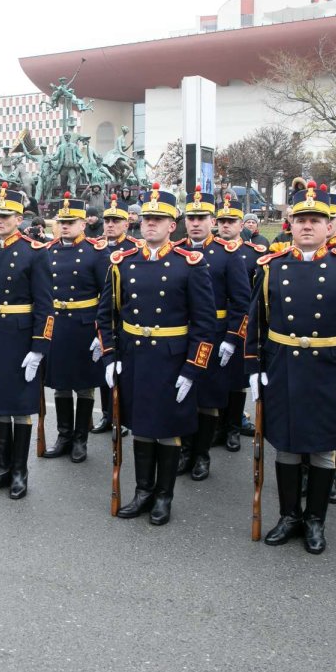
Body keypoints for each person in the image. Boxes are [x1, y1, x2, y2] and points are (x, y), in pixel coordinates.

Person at [246, 185, 336, 554]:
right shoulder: (273, 266)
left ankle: (315, 520)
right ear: (289, 225)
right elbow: (255, 320)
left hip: (328, 369)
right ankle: (289, 515)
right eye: (301, 220)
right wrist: (253, 366)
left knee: (321, 449)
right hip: (284, 366)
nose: (307, 226)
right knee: (286, 444)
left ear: (330, 226)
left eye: (315, 220)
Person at [97, 183, 217, 525]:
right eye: (147, 218)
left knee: (167, 430)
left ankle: (164, 496)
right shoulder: (123, 262)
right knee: (141, 427)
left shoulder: (189, 264)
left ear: (171, 224)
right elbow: (107, 315)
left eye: (159, 219)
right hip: (135, 357)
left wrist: (193, 367)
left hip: (172, 359)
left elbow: (204, 324)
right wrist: (109, 355)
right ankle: (143, 491)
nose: (151, 224)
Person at [0, 184, 52, 499]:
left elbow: (46, 306)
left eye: (5, 215)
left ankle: (19, 471)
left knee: (20, 407)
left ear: (19, 217)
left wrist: (38, 348)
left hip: (21, 338)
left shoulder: (34, 252)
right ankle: (0, 468)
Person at [175, 186, 252, 482]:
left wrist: (233, 338)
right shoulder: (177, 251)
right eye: (191, 217)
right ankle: (184, 450)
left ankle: (202, 455)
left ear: (213, 221)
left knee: (206, 399)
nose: (195, 223)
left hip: (216, 335)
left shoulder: (226, 254)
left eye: (201, 217)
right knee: (183, 395)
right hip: (181, 335)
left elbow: (242, 302)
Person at [42, 192, 108, 464]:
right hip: (57, 324)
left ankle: (81, 438)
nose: (65, 226)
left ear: (84, 224)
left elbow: (108, 295)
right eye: (62, 221)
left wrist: (101, 334)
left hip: (84, 326)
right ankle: (64, 435)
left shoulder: (96, 251)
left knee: (83, 386)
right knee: (59, 384)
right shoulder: (48, 252)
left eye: (71, 221)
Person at [214, 195, 265, 452]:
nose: (225, 226)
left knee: (236, 380)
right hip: (213, 322)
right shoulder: (208, 250)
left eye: (231, 221)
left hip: (242, 322)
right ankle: (218, 425)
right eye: (221, 221)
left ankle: (233, 427)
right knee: (216, 377)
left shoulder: (253, 254)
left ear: (241, 224)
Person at [91, 195, 138, 436]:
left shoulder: (133, 249)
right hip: (99, 317)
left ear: (126, 224)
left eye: (115, 221)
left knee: (122, 372)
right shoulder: (96, 246)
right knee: (104, 369)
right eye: (107, 220)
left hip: (123, 320)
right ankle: (107, 415)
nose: (109, 224)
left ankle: (121, 415)